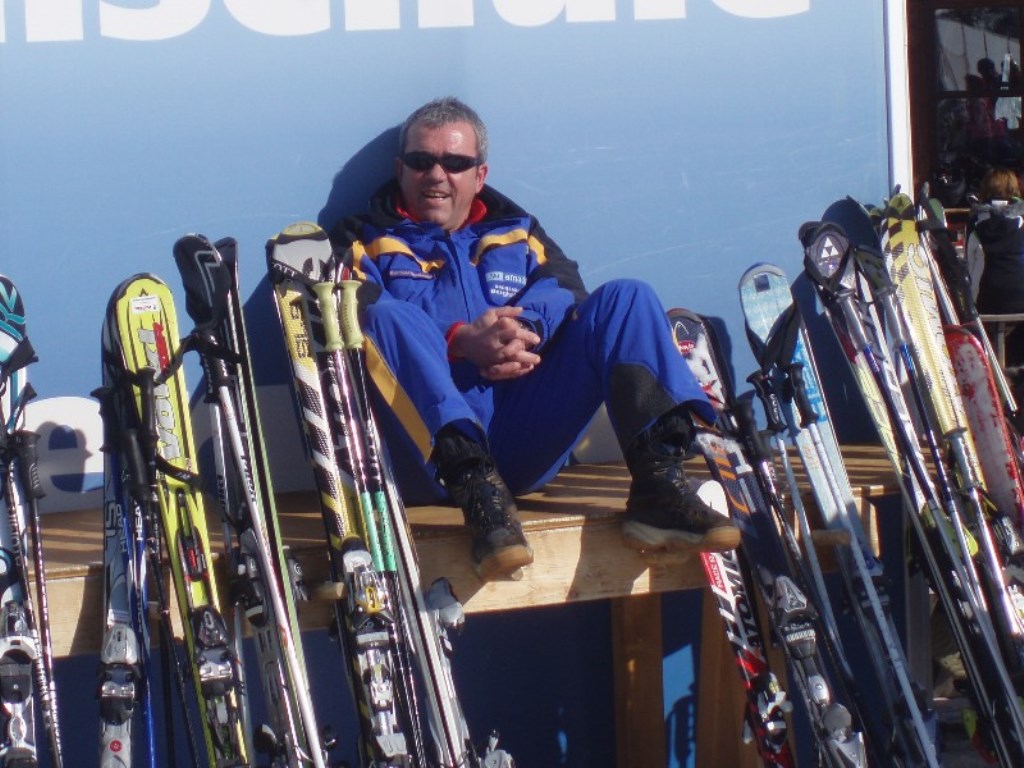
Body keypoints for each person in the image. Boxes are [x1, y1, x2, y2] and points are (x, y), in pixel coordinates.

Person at [327, 97, 739, 581]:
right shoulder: (360, 241)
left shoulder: (517, 231)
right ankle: (479, 493)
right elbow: (348, 315)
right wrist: (459, 341)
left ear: (479, 175)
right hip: (430, 461)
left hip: (521, 439)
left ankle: (659, 487)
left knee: (627, 298)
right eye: (422, 161)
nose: (437, 175)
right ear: (401, 170)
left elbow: (565, 288)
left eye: (455, 163)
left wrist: (526, 331)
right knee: (386, 317)